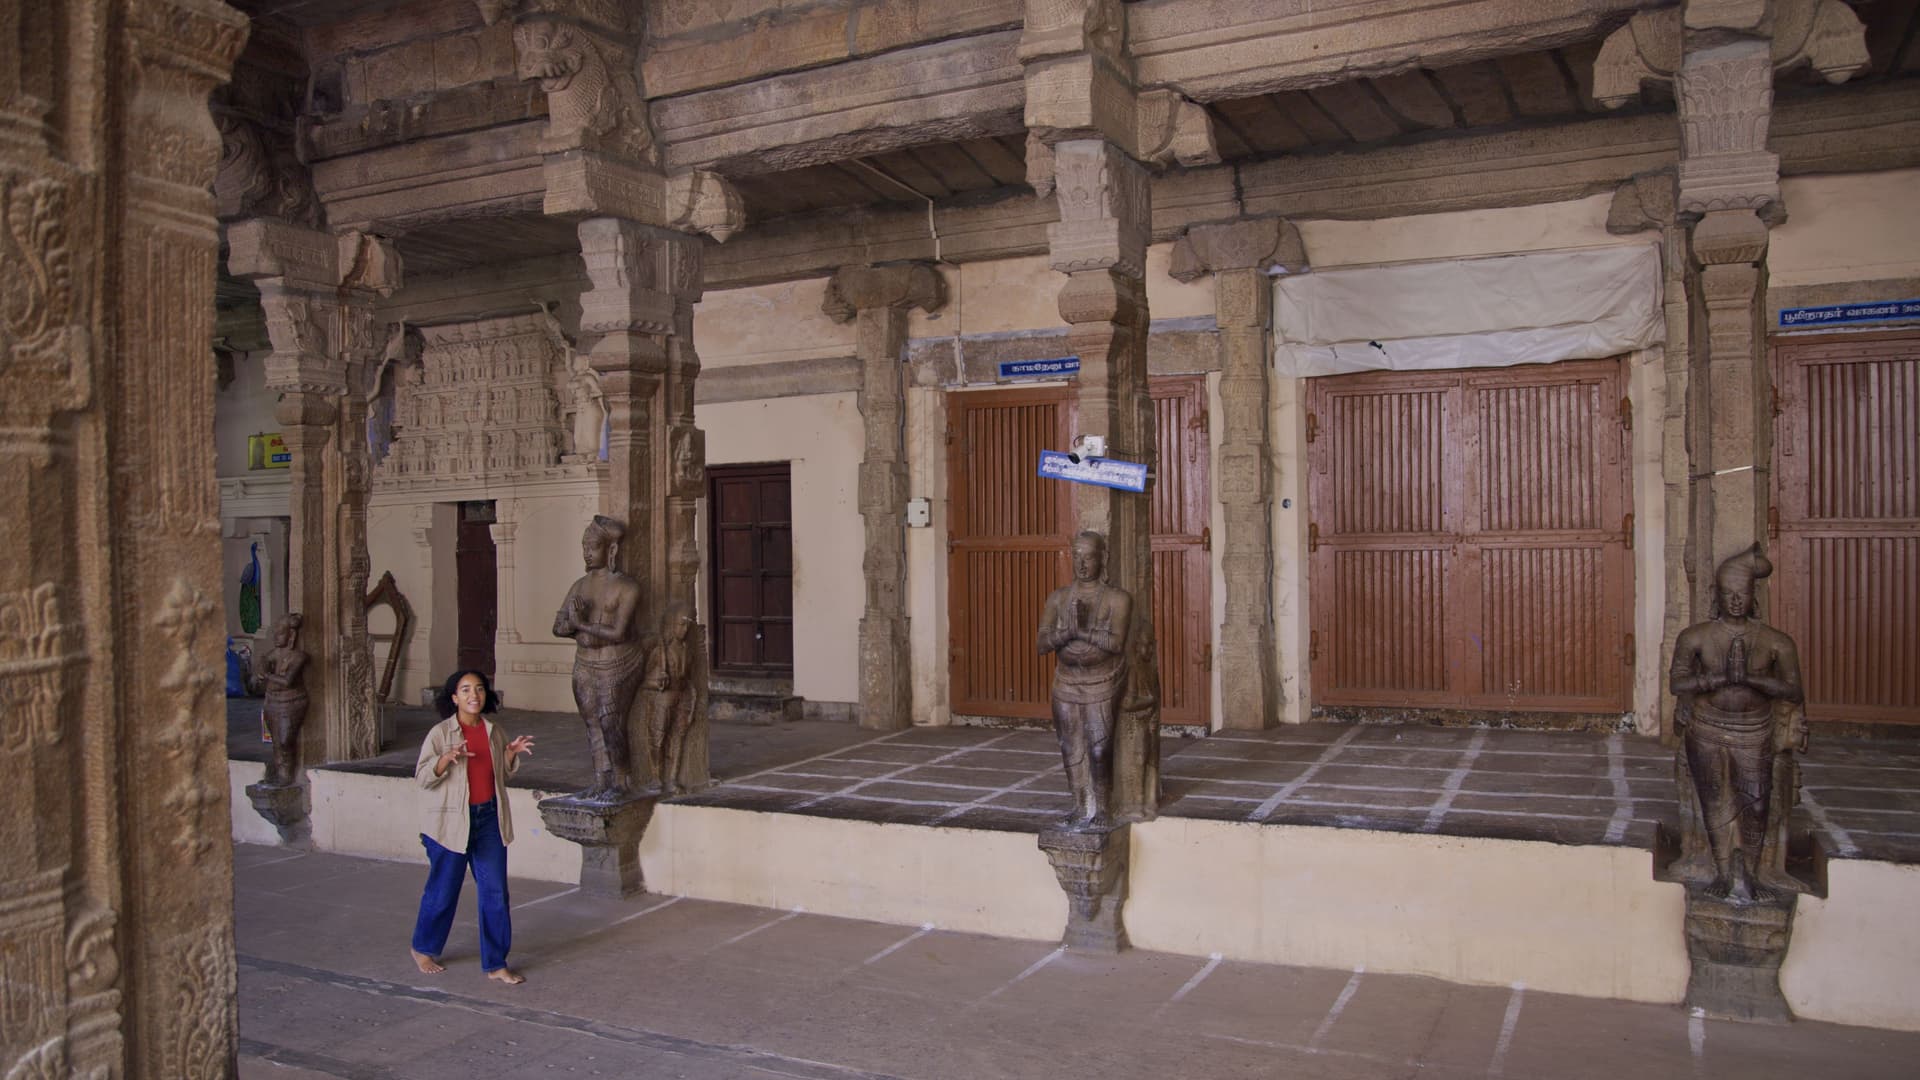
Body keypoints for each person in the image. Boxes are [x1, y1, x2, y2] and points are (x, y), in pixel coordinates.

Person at [1669, 544, 1805, 903]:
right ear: (1718, 597)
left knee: (1756, 802)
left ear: (1752, 597)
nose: (1734, 602)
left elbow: (1793, 690)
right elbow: (1677, 682)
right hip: (1707, 727)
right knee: (1713, 800)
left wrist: (1749, 679)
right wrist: (1713, 680)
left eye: (1741, 595)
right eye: (1728, 595)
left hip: (1753, 730)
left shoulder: (1776, 642)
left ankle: (1752, 871)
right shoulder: (1695, 637)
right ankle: (1723, 869)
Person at [410, 669, 536, 984]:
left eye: (478, 689)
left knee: (495, 893)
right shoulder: (440, 734)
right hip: (450, 823)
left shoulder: (494, 732)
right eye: (465, 690)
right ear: (454, 698)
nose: (473, 695)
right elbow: (423, 777)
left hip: (488, 820)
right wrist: (444, 759)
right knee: (443, 891)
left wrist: (508, 755)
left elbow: (501, 776)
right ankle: (423, 949)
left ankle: (496, 963)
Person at [1036, 531, 1133, 830]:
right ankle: (1080, 806)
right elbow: (1042, 644)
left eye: (1088, 556)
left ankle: (1102, 807)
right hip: (1066, 682)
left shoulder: (1118, 599)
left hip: (1102, 682)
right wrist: (1068, 632)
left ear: (1102, 558)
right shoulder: (1059, 598)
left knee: (1099, 749)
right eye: (1076, 556)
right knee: (1070, 747)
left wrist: (1081, 632)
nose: (1081, 564)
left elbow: (1116, 644)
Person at [552, 515, 646, 799]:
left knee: (609, 720)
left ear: (611, 551)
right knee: (591, 721)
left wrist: (580, 623)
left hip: (619, 662)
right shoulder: (579, 586)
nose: (587, 552)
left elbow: (618, 632)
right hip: (586, 661)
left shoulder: (627, 587)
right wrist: (573, 624)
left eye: (593, 546)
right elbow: (558, 627)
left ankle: (621, 780)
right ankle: (600, 780)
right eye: (584, 547)